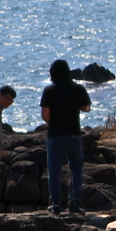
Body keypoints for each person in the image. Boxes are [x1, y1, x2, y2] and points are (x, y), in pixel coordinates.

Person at [40, 58, 92, 214]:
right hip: (73, 134)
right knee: (76, 169)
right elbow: (86, 107)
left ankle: (55, 204)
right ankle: (75, 201)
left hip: (55, 135)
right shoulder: (78, 89)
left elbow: (45, 115)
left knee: (54, 171)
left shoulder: (49, 91)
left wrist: (56, 121)